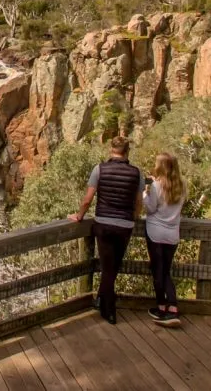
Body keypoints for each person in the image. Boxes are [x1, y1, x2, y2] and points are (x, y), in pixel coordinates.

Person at [67, 136, 143, 325]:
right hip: (125, 225)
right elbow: (138, 201)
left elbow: (88, 199)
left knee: (108, 267)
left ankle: (108, 309)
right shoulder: (136, 173)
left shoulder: (99, 169)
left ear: (111, 149)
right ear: (127, 151)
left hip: (103, 225)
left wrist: (79, 215)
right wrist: (135, 216)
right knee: (113, 267)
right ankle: (104, 304)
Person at [144, 152, 186, 327]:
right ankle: (171, 307)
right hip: (172, 234)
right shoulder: (182, 186)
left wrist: (145, 193)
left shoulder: (156, 186)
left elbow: (150, 208)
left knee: (157, 271)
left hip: (155, 232)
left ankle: (164, 308)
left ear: (160, 166)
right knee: (166, 271)